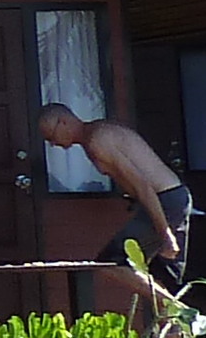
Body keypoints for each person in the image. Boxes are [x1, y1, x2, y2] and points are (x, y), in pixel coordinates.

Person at [40, 103, 192, 285]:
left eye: (51, 136)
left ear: (63, 122)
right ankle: (176, 310)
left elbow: (143, 186)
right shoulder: (98, 131)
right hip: (172, 196)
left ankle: (182, 311)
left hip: (164, 200)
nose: (53, 144)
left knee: (111, 262)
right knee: (164, 275)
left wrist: (165, 234)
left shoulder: (98, 140)